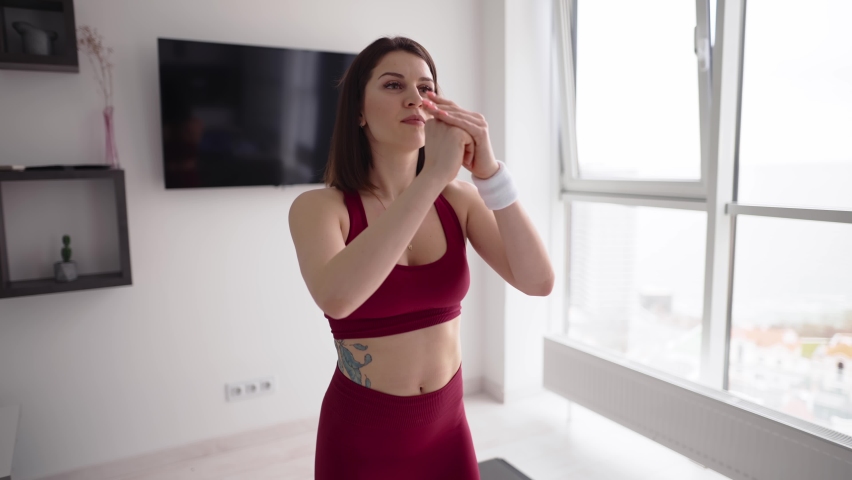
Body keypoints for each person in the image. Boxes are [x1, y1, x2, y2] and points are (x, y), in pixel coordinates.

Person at [288, 36, 554, 480]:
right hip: (359, 439)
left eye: (426, 87)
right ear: (358, 111)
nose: (415, 97)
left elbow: (537, 281)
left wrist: (490, 174)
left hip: (447, 429)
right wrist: (432, 176)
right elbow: (337, 298)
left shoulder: (460, 200)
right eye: (394, 85)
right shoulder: (319, 208)